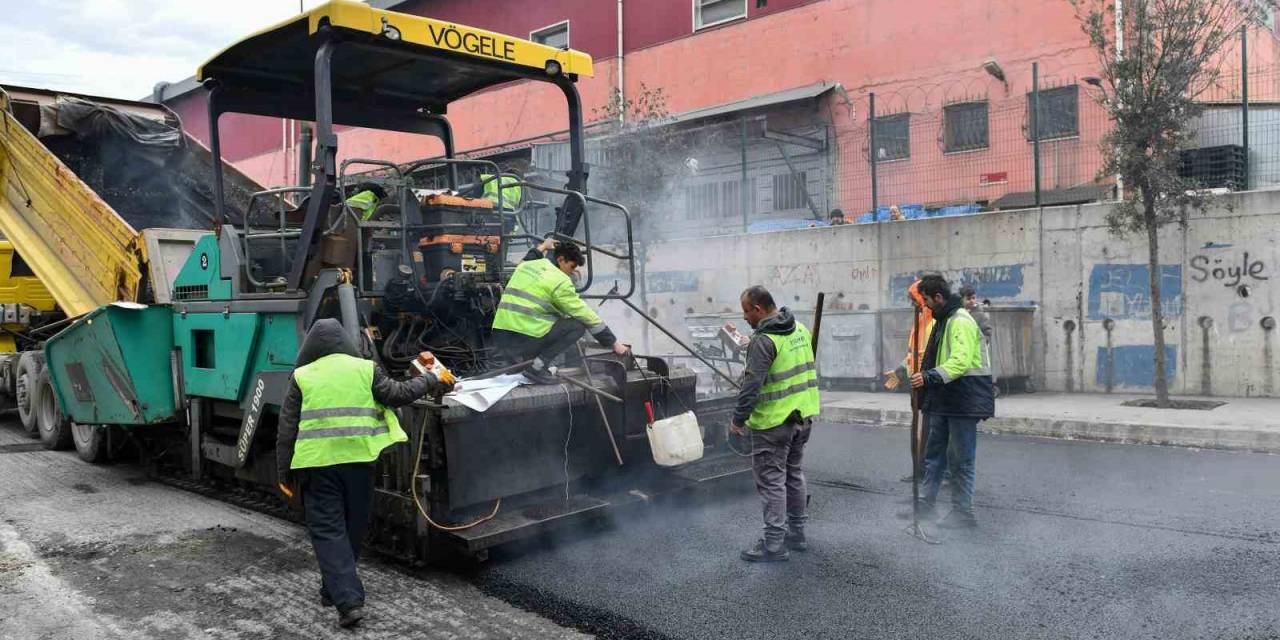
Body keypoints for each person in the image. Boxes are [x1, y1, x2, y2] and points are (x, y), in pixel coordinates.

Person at [276, 319, 455, 628]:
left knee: (329, 532)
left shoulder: (301, 376)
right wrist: (432, 378)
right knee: (353, 527)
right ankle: (333, 588)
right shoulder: (365, 368)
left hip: (317, 466)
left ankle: (347, 603)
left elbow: (286, 428)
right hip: (359, 461)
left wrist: (284, 473)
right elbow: (398, 394)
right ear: (344, 342)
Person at [730, 285, 820, 562]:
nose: (744, 317)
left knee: (772, 482)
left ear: (758, 308)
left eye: (746, 311)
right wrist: (751, 344)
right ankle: (797, 534)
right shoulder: (800, 329)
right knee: (793, 474)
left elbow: (751, 386)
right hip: (802, 417)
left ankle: (773, 545)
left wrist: (737, 420)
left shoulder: (764, 341)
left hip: (774, 422)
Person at [905, 275, 995, 529]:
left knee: (960, 460)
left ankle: (962, 513)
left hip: (964, 401)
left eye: (926, 302)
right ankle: (926, 504)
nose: (925, 307)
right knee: (934, 456)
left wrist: (928, 377)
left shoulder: (960, 322)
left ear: (939, 297)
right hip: (945, 399)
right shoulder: (942, 321)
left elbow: (960, 361)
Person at [491, 238, 629, 384]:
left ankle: (528, 362)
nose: (571, 272)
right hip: (523, 339)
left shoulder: (526, 266)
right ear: (561, 259)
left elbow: (529, 257)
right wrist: (614, 343)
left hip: (501, 336)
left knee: (547, 318)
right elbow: (584, 313)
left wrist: (543, 246)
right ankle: (537, 367)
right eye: (571, 267)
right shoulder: (560, 281)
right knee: (577, 326)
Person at [884, 280, 948, 486]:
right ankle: (922, 471)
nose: (912, 305)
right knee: (920, 432)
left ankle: (936, 473)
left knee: (932, 432)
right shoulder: (920, 322)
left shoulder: (934, 324)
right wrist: (900, 372)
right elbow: (914, 355)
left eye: (915, 300)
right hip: (918, 385)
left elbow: (933, 358)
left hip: (930, 385)